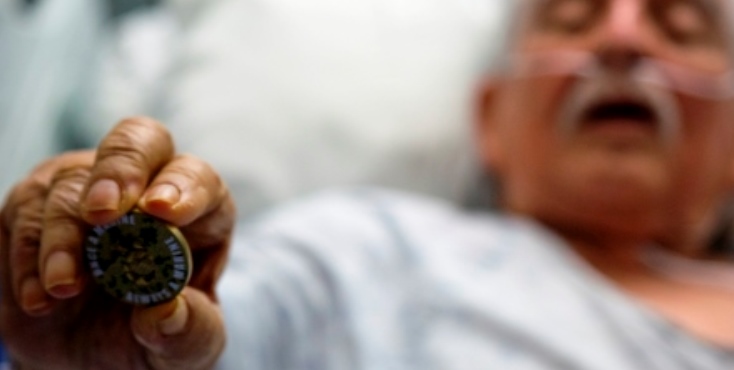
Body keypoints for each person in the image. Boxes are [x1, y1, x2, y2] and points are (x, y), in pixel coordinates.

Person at [3, 0, 734, 368]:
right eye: (571, 22)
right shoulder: (376, 252)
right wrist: (127, 334)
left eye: (679, 28)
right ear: (490, 122)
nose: (622, 41)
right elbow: (224, 326)